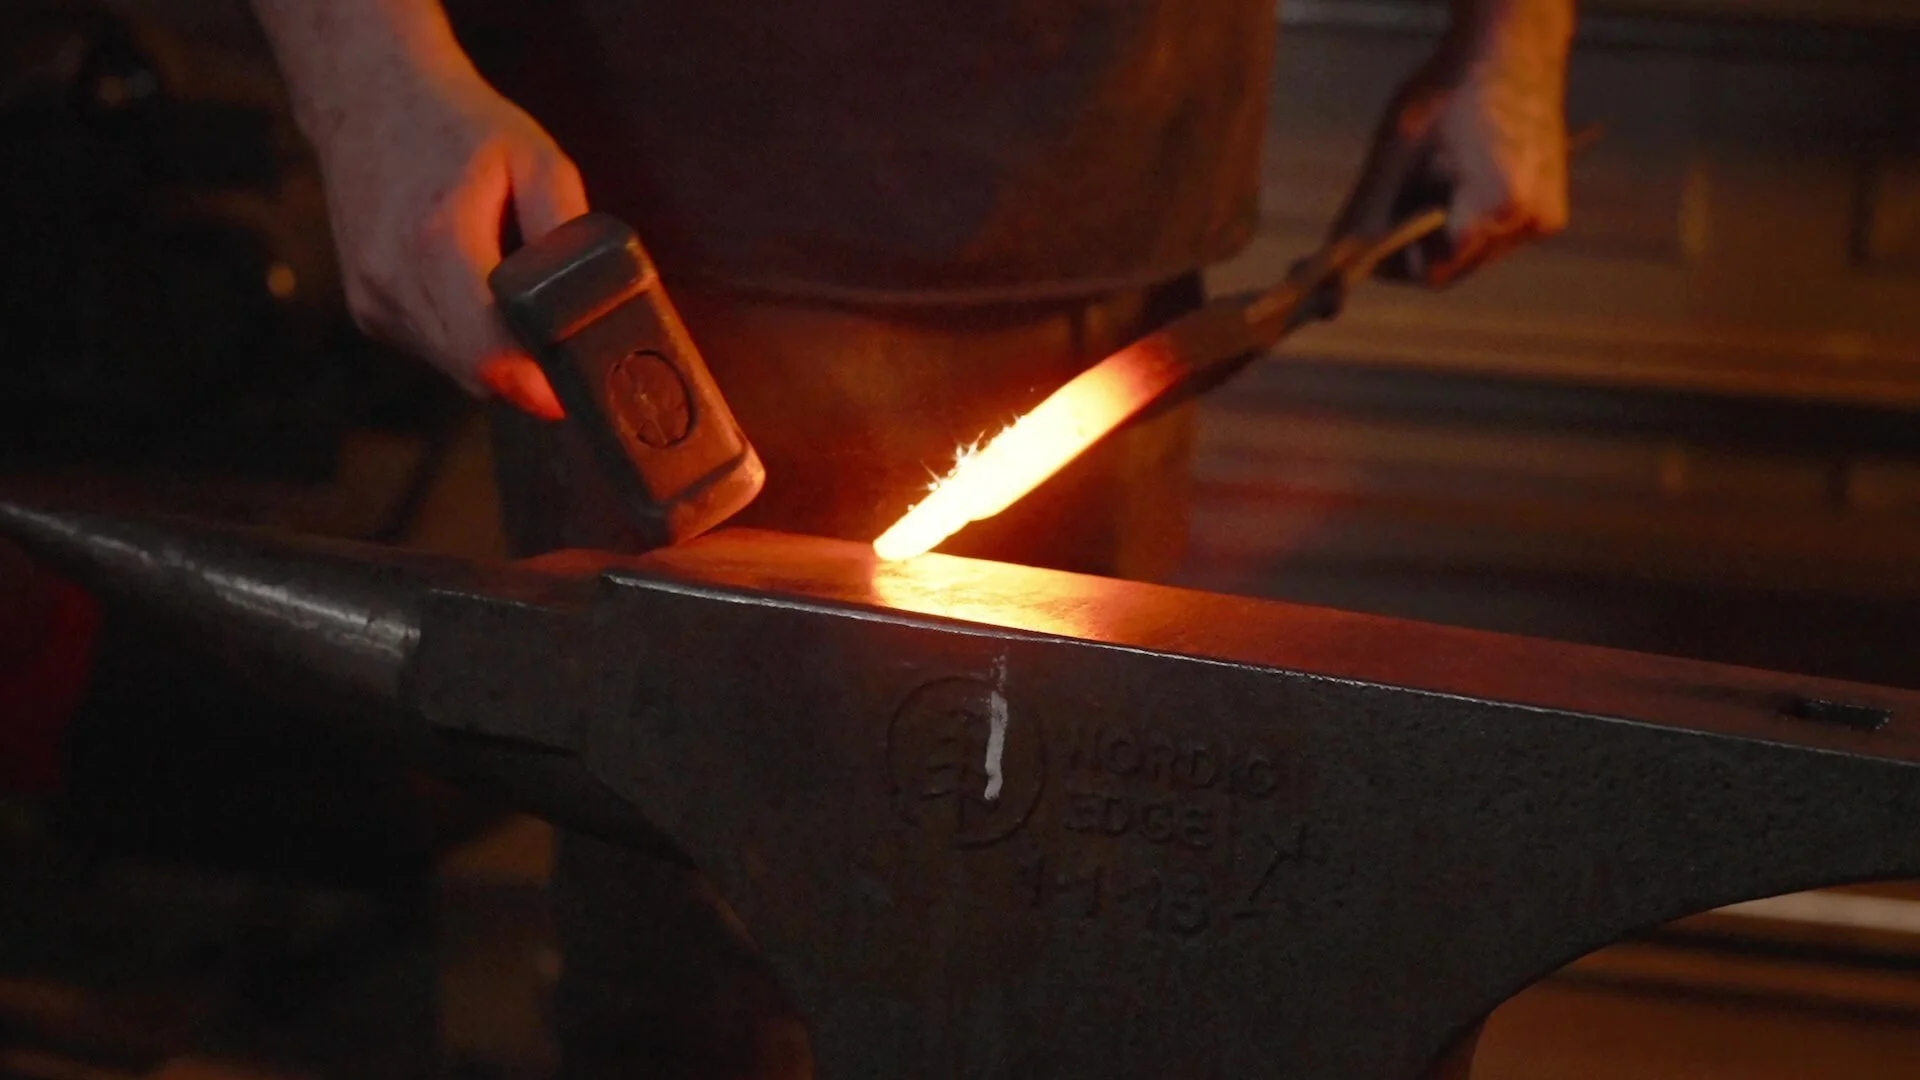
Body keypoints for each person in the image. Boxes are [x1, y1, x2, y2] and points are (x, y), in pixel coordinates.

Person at [245, 0, 1577, 1075]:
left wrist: (1514, 42)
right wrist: (368, 66)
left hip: (1116, 204)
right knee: (701, 980)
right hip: (660, 229)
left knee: (1074, 932)